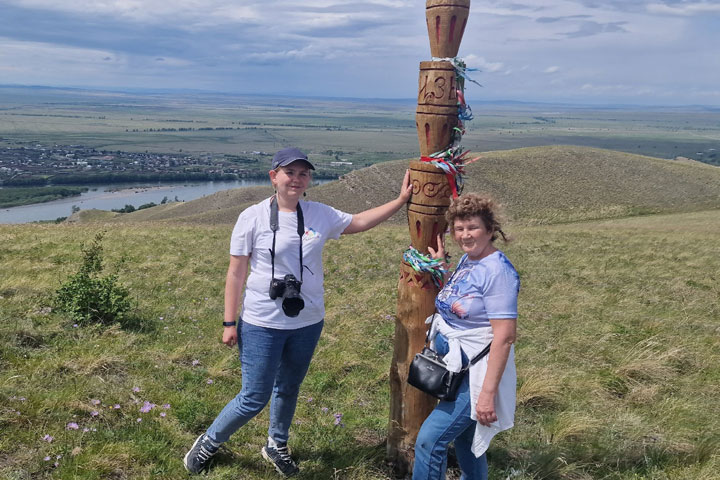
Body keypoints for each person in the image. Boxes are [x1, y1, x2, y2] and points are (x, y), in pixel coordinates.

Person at [184, 147, 412, 477]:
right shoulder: (252, 217)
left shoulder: (319, 213)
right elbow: (235, 273)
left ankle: (276, 444)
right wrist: (229, 322)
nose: (296, 179)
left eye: (303, 173)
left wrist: (400, 200)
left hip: (307, 321)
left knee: (288, 387)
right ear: (273, 177)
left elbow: (359, 222)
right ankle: (209, 441)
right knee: (253, 396)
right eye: (289, 172)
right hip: (262, 321)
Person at [412, 193, 520, 480]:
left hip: (475, 374)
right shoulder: (468, 260)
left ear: (489, 229)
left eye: (472, 227)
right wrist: (445, 270)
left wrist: (485, 396)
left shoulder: (498, 271)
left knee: (430, 440)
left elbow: (505, 337)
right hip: (457, 366)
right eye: (458, 229)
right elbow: (466, 300)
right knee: (467, 442)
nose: (464, 235)